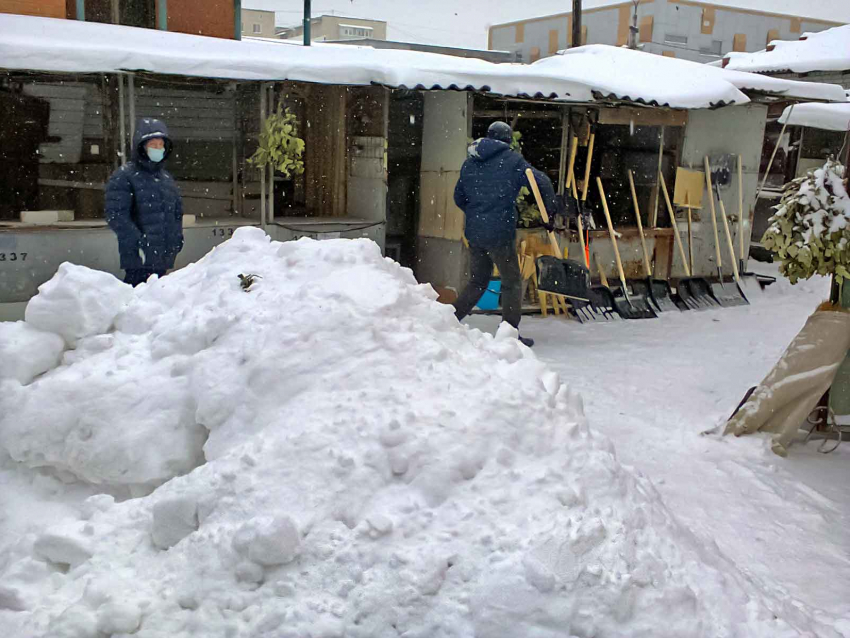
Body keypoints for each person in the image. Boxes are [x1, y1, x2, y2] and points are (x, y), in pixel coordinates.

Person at [452, 121, 557, 347]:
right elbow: (543, 182)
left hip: (475, 231)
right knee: (511, 282)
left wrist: (478, 213)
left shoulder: (470, 161)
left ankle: (449, 322)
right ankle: (509, 336)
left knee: (478, 280)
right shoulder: (512, 161)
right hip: (500, 232)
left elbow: (459, 197)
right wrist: (550, 214)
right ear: (508, 140)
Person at [105, 118, 183, 287]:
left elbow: (176, 214)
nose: (158, 149)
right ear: (142, 147)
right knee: (136, 303)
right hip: (138, 261)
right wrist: (140, 242)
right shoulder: (124, 176)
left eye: (160, 145)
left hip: (163, 259)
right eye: (153, 145)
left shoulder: (166, 179)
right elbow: (116, 216)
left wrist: (176, 239)